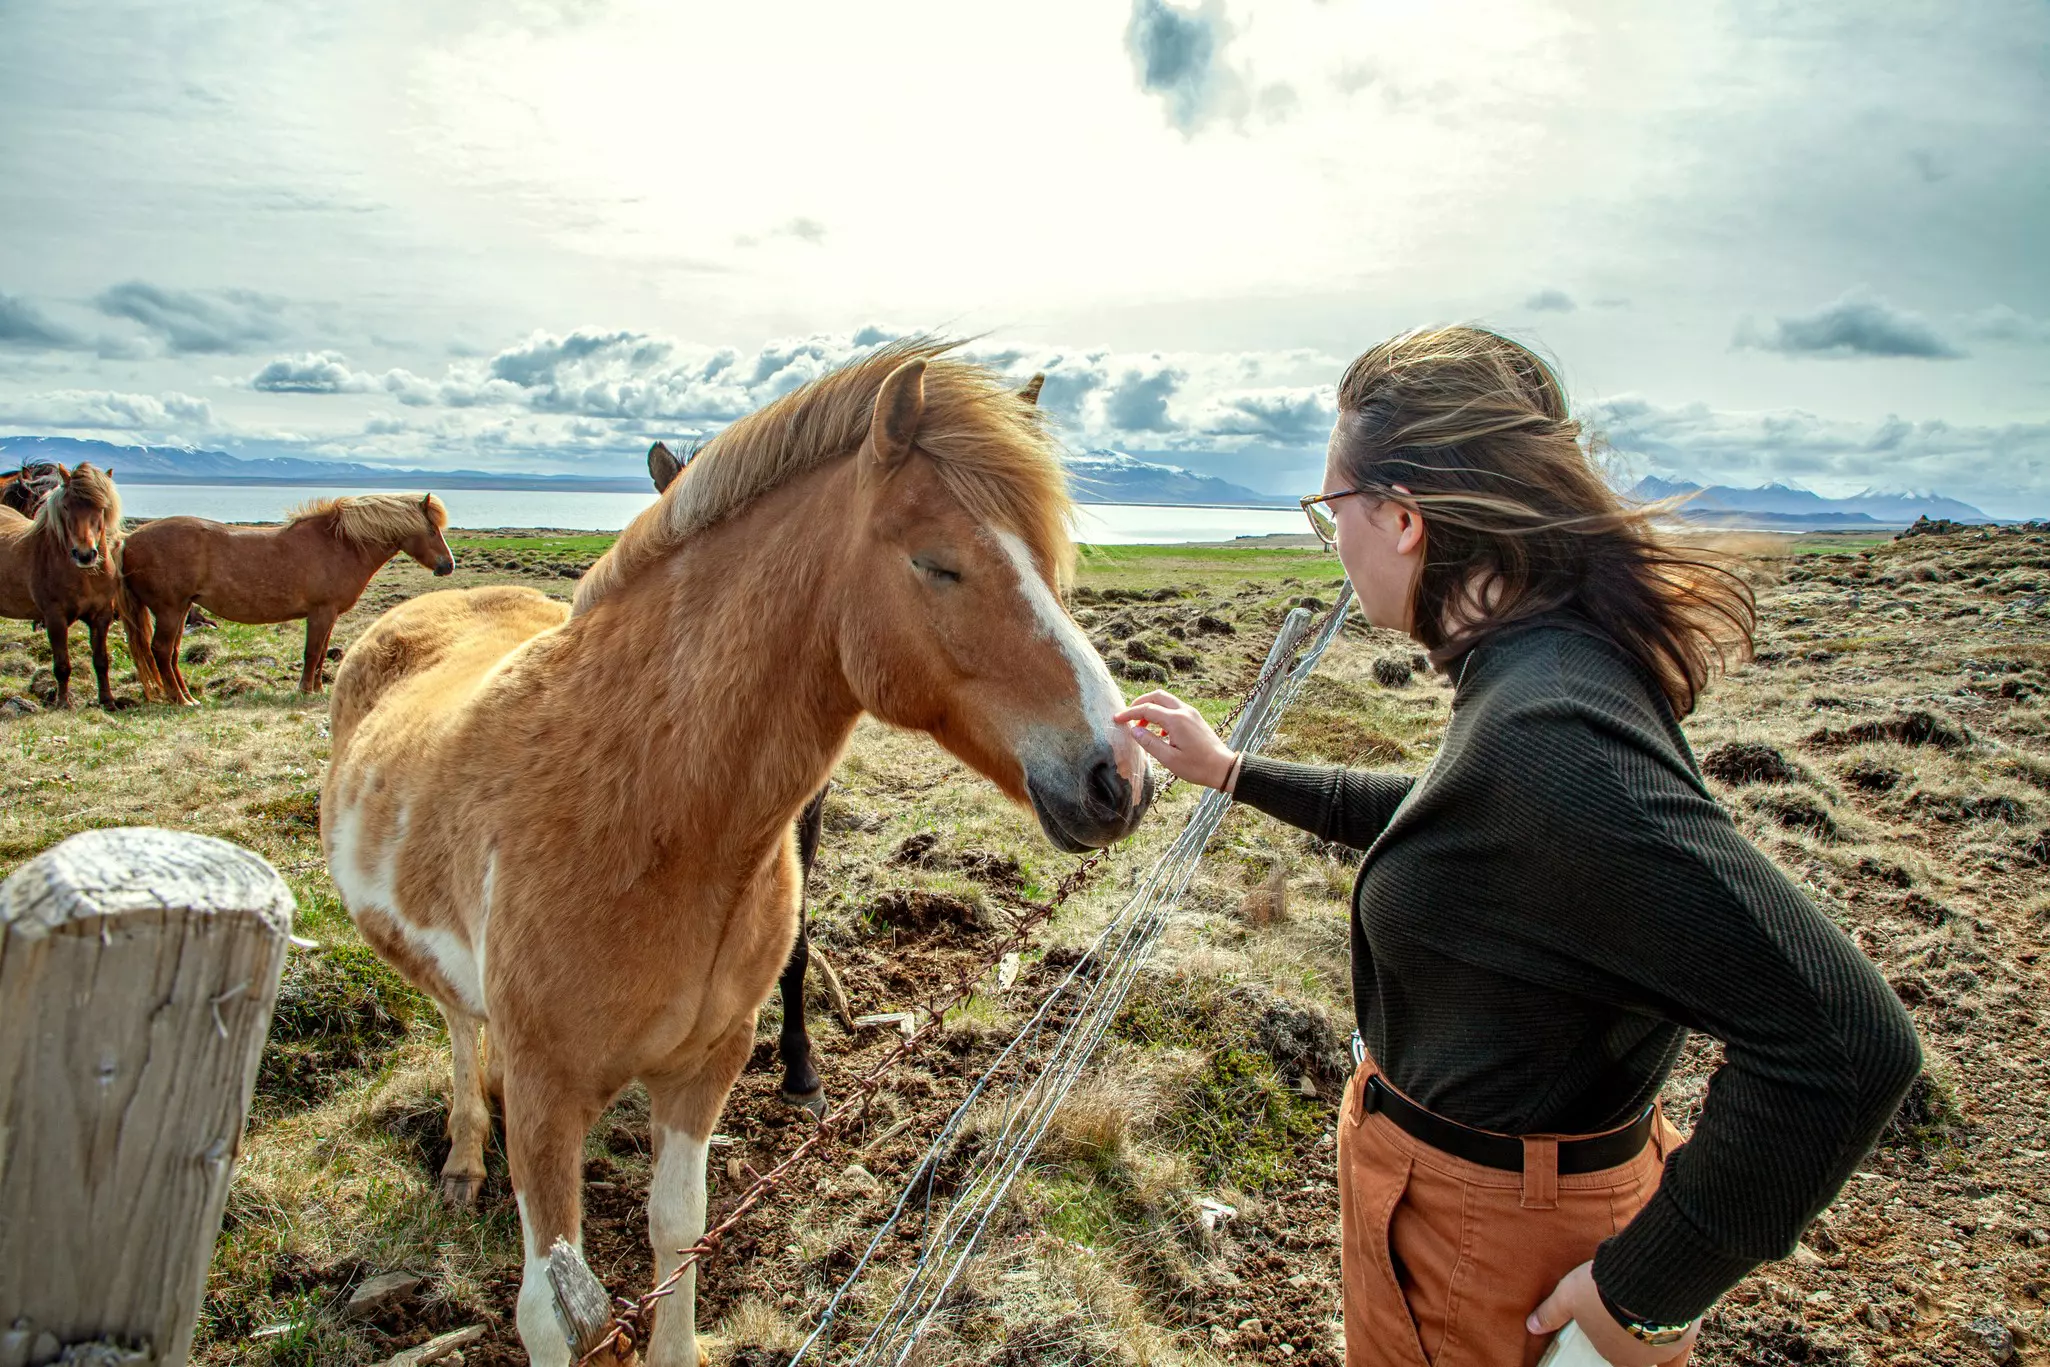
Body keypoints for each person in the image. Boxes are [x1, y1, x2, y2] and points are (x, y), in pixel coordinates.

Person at [1114, 326, 1920, 1367]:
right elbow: (1462, 822)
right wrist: (1231, 769)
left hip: (1492, 1245)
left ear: (1402, 519)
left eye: (1331, 511)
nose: (1335, 541)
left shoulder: (1549, 730)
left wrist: (1645, 1293)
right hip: (1470, 1210)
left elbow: (1849, 1044)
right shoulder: (1539, 680)